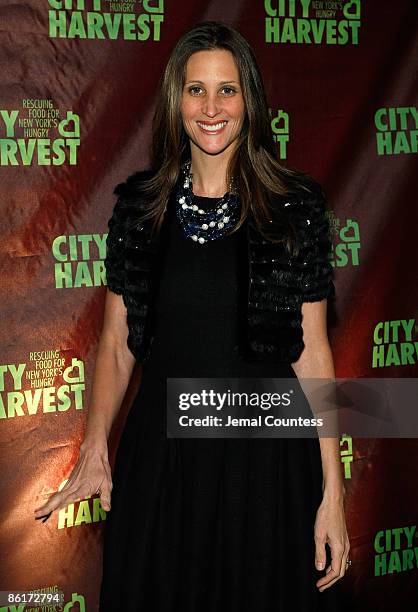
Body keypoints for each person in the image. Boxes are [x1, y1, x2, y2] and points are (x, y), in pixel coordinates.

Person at [34, 20, 350, 611]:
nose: (211, 107)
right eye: (195, 89)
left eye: (227, 90)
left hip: (267, 462)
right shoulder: (139, 209)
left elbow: (313, 352)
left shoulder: (294, 209)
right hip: (165, 460)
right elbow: (115, 345)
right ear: (175, 101)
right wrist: (96, 446)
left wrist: (333, 491)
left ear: (249, 100)